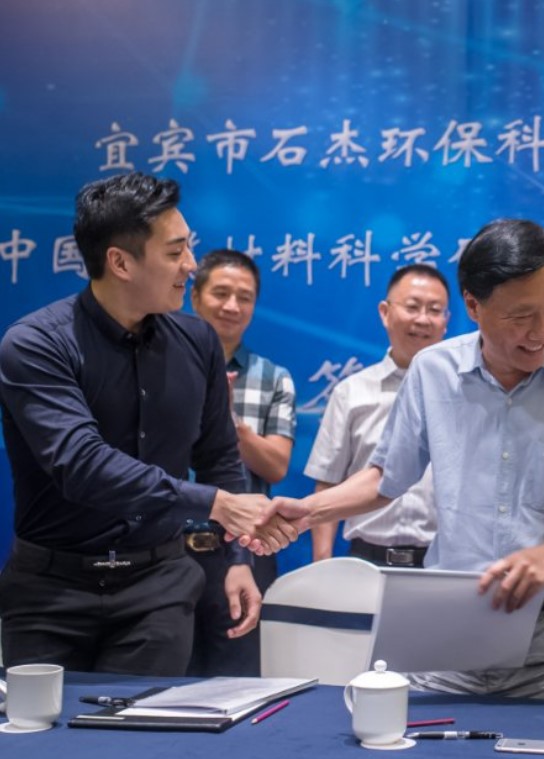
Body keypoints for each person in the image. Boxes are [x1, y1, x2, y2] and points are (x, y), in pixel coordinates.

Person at [251, 218, 544, 702]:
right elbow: (385, 477)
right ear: (473, 305)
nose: (541, 331)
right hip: (453, 632)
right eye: (520, 316)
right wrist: (309, 511)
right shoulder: (434, 372)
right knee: (413, 747)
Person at [0, 172, 292, 675]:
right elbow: (83, 466)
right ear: (120, 262)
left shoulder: (198, 341)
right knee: (44, 725)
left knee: (144, 724)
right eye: (176, 252)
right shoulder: (35, 345)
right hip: (50, 593)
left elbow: (219, 455)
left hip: (158, 587)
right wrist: (216, 504)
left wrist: (237, 560)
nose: (191, 265)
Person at [187, 249, 296, 675]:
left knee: (238, 679)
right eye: (221, 293)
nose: (232, 306)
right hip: (168, 547)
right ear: (195, 296)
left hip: (245, 547)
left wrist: (227, 420)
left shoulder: (273, 377)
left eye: (244, 297)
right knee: (162, 679)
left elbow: (275, 467)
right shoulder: (163, 367)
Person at [304, 264, 448, 566]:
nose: (423, 319)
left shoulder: (460, 395)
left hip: (440, 563)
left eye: (435, 310)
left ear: (445, 322)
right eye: (412, 307)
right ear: (385, 312)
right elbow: (329, 482)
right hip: (366, 562)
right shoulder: (351, 392)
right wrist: (321, 564)